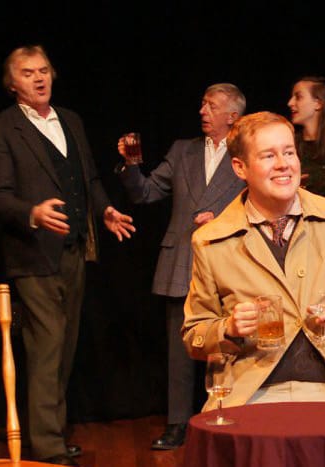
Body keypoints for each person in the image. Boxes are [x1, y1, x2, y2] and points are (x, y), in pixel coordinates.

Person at [0, 45, 134, 465]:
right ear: (13, 84)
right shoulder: (0, 129)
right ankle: (46, 446)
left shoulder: (71, 120)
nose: (39, 78)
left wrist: (104, 210)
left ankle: (53, 434)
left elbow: (88, 177)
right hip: (33, 255)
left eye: (44, 70)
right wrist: (32, 212)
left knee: (64, 347)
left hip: (74, 249)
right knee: (46, 347)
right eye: (28, 73)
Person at [183, 111, 325, 411]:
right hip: (254, 391)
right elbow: (194, 333)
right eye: (268, 156)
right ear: (240, 167)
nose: (284, 164)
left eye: (289, 152)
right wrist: (229, 328)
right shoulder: (211, 241)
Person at [114, 83, 247, 450]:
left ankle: (223, 418)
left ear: (232, 116)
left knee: (227, 345)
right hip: (181, 260)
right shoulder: (183, 150)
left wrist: (220, 217)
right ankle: (177, 424)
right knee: (180, 349)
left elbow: (257, 200)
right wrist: (131, 165)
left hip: (228, 259)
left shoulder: (245, 152)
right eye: (202, 103)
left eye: (212, 105)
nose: (203, 110)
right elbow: (146, 193)